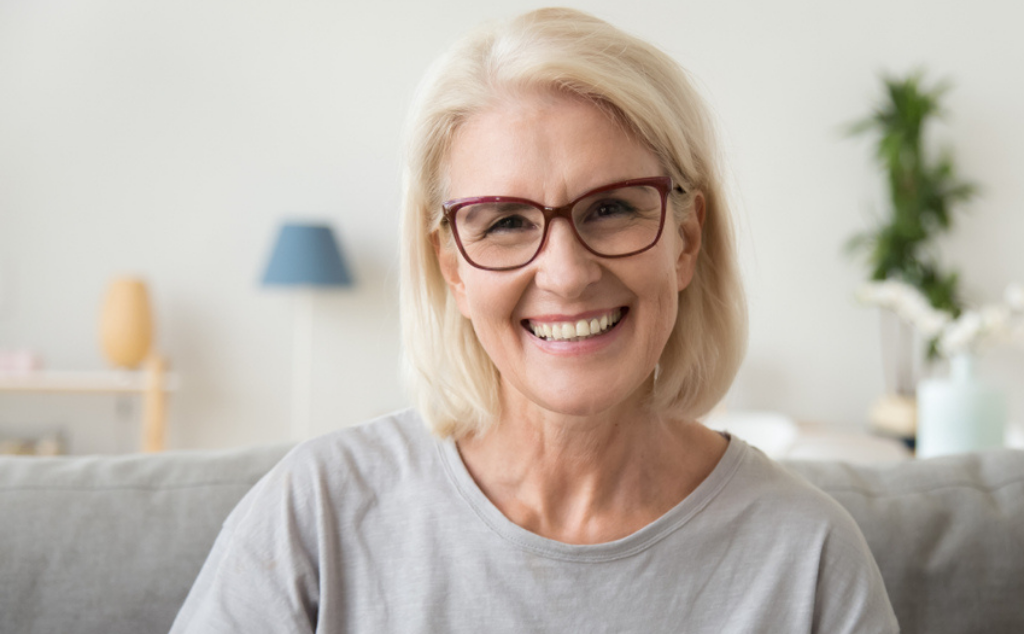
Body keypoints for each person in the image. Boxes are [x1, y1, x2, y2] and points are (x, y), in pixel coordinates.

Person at [171, 8, 898, 633]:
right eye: (506, 222)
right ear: (451, 266)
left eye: (610, 208)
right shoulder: (317, 514)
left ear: (686, 238)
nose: (566, 273)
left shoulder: (807, 558)